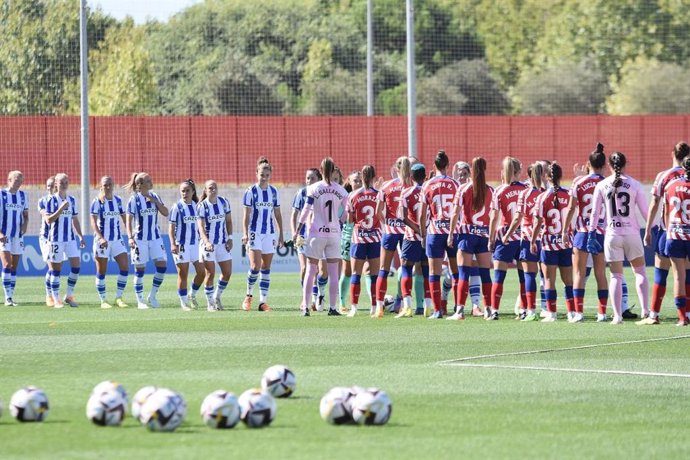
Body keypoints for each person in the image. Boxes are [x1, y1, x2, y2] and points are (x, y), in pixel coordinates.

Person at [588, 152, 650, 324]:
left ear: (609, 165)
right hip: (632, 234)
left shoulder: (601, 185)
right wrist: (653, 228)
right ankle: (646, 311)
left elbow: (595, 213)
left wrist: (591, 233)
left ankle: (617, 316)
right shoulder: (635, 184)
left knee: (616, 276)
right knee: (640, 271)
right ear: (625, 164)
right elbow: (646, 212)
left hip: (612, 235)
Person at [643, 141, 690, 323]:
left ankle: (654, 314)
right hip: (684, 231)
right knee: (686, 274)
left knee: (661, 272)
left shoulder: (664, 176)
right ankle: (686, 314)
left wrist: (647, 230)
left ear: (673, 154)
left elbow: (655, 203)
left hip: (668, 230)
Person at [295, 157, 348, 316]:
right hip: (333, 234)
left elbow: (305, 210)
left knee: (311, 270)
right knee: (333, 273)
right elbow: (347, 211)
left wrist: (299, 227)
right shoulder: (341, 190)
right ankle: (332, 307)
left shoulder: (313, 188)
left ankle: (305, 306)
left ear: (321, 169)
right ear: (332, 171)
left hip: (316, 233)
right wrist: (339, 221)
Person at [562, 143, 609, 322]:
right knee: (601, 273)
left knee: (579, 273)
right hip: (601, 231)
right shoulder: (607, 183)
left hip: (582, 230)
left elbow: (571, 208)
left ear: (588, 164)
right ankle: (602, 314)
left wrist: (566, 230)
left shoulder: (578, 182)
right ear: (604, 165)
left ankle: (578, 313)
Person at [448, 157, 493, 320]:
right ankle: (489, 309)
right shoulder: (490, 190)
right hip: (484, 234)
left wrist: (451, 233)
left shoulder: (464, 189)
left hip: (467, 234)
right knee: (485, 274)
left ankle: (459, 311)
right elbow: (494, 216)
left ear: (472, 171)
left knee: (463, 273)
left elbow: (455, 213)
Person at [530, 163, 573, 322]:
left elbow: (537, 222)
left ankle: (552, 313)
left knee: (549, 280)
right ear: (560, 177)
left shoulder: (542, 197)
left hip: (548, 243)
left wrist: (533, 241)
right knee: (568, 280)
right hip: (565, 242)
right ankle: (572, 313)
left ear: (547, 177)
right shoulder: (568, 194)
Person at [419, 150, 459, 320]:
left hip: (435, 232)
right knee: (457, 272)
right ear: (448, 166)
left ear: (434, 166)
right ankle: (459, 308)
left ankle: (437, 311)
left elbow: (421, 215)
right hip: (452, 231)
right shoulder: (456, 184)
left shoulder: (427, 186)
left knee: (434, 272)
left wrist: (422, 235)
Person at [242, 157, 284, 312]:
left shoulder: (274, 192)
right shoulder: (250, 192)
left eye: (267, 175)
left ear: (270, 175)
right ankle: (248, 295)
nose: (264, 177)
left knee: (266, 267)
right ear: (256, 173)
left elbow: (278, 214)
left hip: (270, 233)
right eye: (262, 174)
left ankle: (262, 302)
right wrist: (245, 233)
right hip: (255, 232)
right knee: (255, 266)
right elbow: (246, 215)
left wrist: (280, 234)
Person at [504, 162, 545, 320]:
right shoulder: (547, 193)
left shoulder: (525, 194)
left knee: (529, 275)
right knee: (547, 276)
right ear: (542, 175)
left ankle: (531, 311)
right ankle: (548, 310)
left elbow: (517, 218)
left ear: (528, 176)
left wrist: (507, 235)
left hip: (528, 238)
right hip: (546, 239)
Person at [488, 157, 527, 318]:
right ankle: (525, 310)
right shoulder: (526, 189)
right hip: (523, 236)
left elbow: (494, 217)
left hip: (505, 236)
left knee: (499, 275)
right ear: (519, 172)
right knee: (524, 276)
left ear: (504, 171)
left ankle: (494, 311)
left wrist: (491, 239)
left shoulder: (499, 191)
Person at [125, 172, 169, 309]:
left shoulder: (155, 196)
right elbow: (128, 220)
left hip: (155, 238)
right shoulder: (134, 200)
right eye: (148, 180)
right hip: (140, 239)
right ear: (140, 185)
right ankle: (140, 301)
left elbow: (166, 212)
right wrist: (130, 238)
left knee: (162, 266)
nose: (151, 182)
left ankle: (152, 296)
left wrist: (155, 201)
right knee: (140, 270)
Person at [374, 157, 411, 316]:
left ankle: (379, 307)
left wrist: (386, 224)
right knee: (406, 268)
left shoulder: (386, 186)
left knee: (383, 269)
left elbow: (377, 212)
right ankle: (404, 304)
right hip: (408, 231)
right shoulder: (412, 186)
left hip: (390, 231)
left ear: (395, 169)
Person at [44, 173, 86, 309]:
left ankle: (68, 295)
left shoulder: (72, 200)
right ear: (56, 184)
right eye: (61, 182)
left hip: (70, 239)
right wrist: (61, 208)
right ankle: (56, 299)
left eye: (66, 182)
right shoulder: (51, 200)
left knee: (76, 266)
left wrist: (80, 236)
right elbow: (49, 220)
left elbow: (74, 219)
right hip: (56, 240)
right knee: (56, 270)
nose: (64, 184)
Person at [657, 156, 690, 326]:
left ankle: (682, 317)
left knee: (678, 277)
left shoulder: (671, 186)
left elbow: (665, 212)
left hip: (674, 235)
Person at [346, 165, 381, 318]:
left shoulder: (353, 195)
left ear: (361, 178)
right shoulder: (379, 194)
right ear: (374, 177)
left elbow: (349, 220)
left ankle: (354, 307)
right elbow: (381, 215)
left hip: (359, 238)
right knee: (374, 275)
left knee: (355, 273)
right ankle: (374, 307)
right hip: (375, 238)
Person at [89, 176, 129, 309]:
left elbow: (125, 218)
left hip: (117, 240)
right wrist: (100, 238)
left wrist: (130, 234)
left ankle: (119, 297)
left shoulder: (118, 201)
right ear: (101, 186)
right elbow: (93, 222)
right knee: (102, 271)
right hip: (102, 241)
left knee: (124, 267)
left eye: (110, 184)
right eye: (105, 185)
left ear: (113, 185)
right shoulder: (97, 202)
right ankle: (103, 300)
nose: (107, 187)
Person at [397, 162, 431, 318]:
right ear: (425, 176)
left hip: (411, 237)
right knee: (426, 270)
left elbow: (403, 217)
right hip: (428, 236)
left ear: (411, 177)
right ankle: (428, 307)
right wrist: (424, 232)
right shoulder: (430, 190)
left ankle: (408, 306)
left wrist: (417, 230)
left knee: (406, 268)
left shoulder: (406, 192)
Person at [169, 179, 205, 311]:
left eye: (187, 190)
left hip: (196, 244)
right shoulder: (177, 207)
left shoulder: (197, 206)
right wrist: (173, 244)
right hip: (182, 245)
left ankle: (192, 294)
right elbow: (171, 228)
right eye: (182, 191)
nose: (184, 193)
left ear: (193, 192)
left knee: (202, 272)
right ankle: (183, 303)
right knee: (183, 274)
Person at [197, 180, 234, 311]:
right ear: (205, 190)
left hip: (222, 243)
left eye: (215, 188)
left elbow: (229, 221)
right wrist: (207, 242)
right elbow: (200, 228)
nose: (213, 190)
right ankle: (210, 303)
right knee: (210, 273)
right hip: (208, 244)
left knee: (227, 273)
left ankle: (217, 296)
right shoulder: (202, 206)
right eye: (210, 188)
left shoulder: (224, 202)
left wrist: (230, 238)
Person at [0, 170, 28, 306]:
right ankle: (7, 298)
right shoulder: (1, 194)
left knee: (14, 267)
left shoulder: (23, 195)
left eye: (21, 181)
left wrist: (25, 226)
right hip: (3, 235)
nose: (19, 183)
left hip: (18, 236)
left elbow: (26, 215)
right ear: (9, 180)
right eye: (17, 180)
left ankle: (11, 295)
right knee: (6, 264)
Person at [339, 170, 363, 311]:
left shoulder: (368, 195)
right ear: (349, 181)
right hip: (349, 235)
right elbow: (343, 218)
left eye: (360, 180)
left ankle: (375, 303)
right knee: (347, 271)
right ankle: (342, 303)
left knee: (368, 269)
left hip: (366, 236)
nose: (358, 183)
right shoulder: (346, 197)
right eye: (355, 181)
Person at [37, 176, 56, 306]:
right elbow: (47, 218)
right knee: (52, 267)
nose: (50, 188)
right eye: (48, 186)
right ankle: (49, 295)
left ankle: (54, 295)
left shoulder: (63, 200)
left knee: (55, 268)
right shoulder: (42, 201)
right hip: (45, 237)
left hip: (58, 238)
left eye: (52, 186)